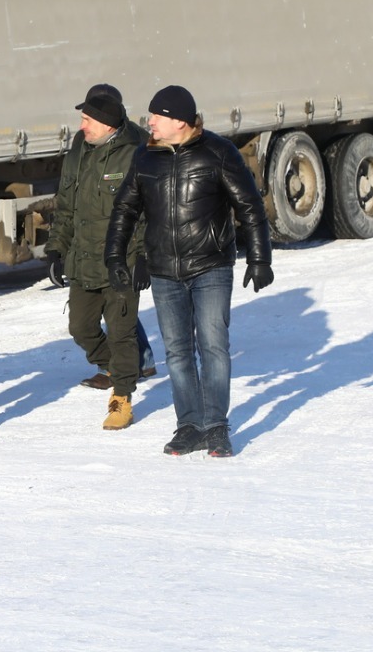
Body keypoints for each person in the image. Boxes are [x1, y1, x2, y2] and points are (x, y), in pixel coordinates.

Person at [105, 85, 273, 458]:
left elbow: (249, 206)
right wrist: (115, 257)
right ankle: (189, 425)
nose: (149, 122)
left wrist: (259, 258)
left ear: (179, 121)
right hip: (164, 271)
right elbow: (124, 211)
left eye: (157, 116)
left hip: (211, 266)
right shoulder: (145, 158)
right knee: (178, 353)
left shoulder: (218, 152)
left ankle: (215, 426)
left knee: (213, 347)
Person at [44, 83, 153, 430]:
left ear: (107, 123)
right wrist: (57, 250)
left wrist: (143, 258)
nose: (82, 126)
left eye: (87, 119)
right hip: (83, 258)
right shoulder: (80, 147)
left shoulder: (137, 151)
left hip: (122, 261)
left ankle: (121, 397)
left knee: (122, 333)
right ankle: (120, 367)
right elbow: (66, 203)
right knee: (80, 327)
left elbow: (149, 212)